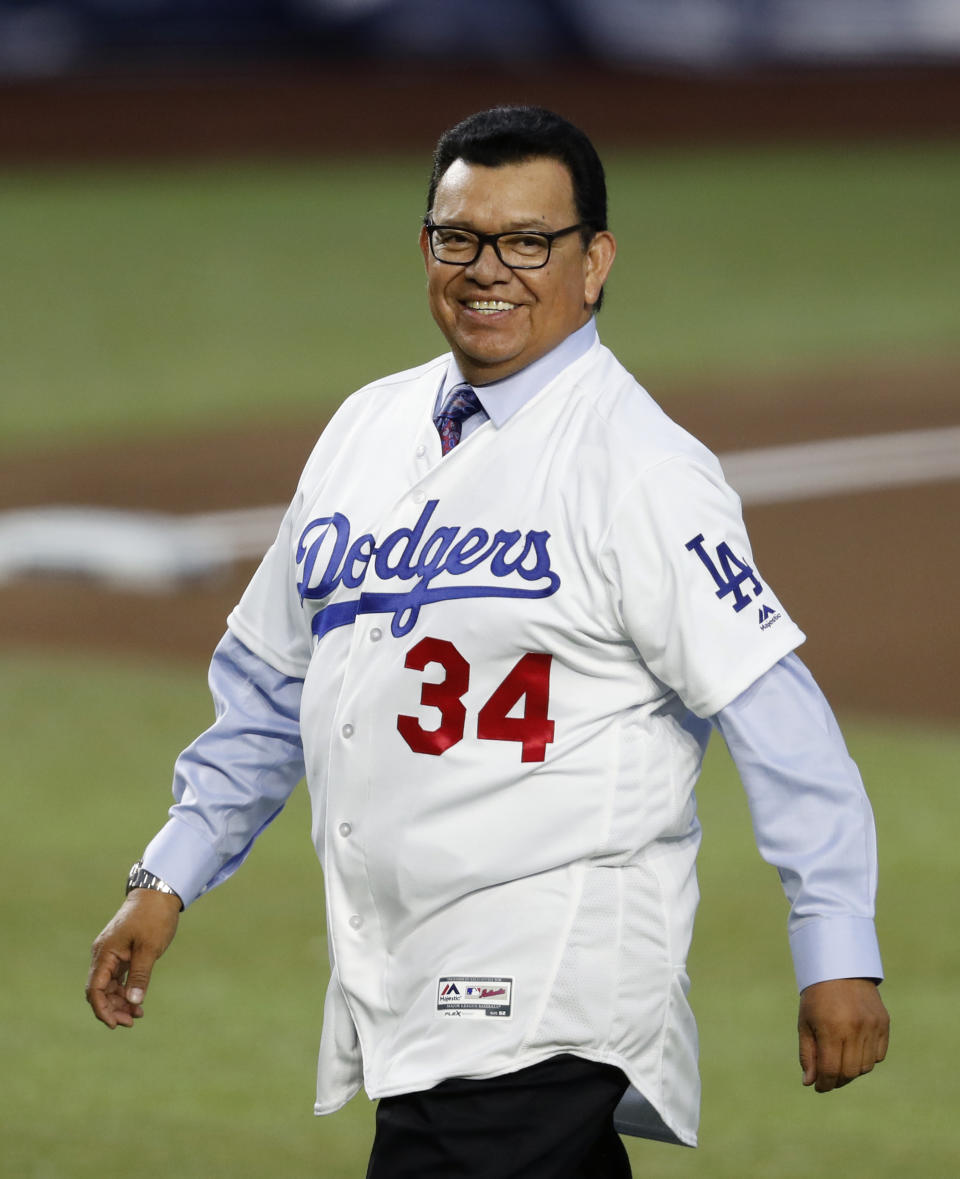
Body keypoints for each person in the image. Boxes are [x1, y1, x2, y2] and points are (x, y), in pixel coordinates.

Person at [87, 106, 889, 1178]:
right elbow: (271, 687)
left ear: (594, 262)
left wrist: (837, 947)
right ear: (427, 248)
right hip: (405, 977)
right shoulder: (366, 431)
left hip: (544, 981)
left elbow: (774, 710)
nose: (487, 270)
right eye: (459, 238)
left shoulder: (639, 467)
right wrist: (167, 876)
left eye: (527, 242)